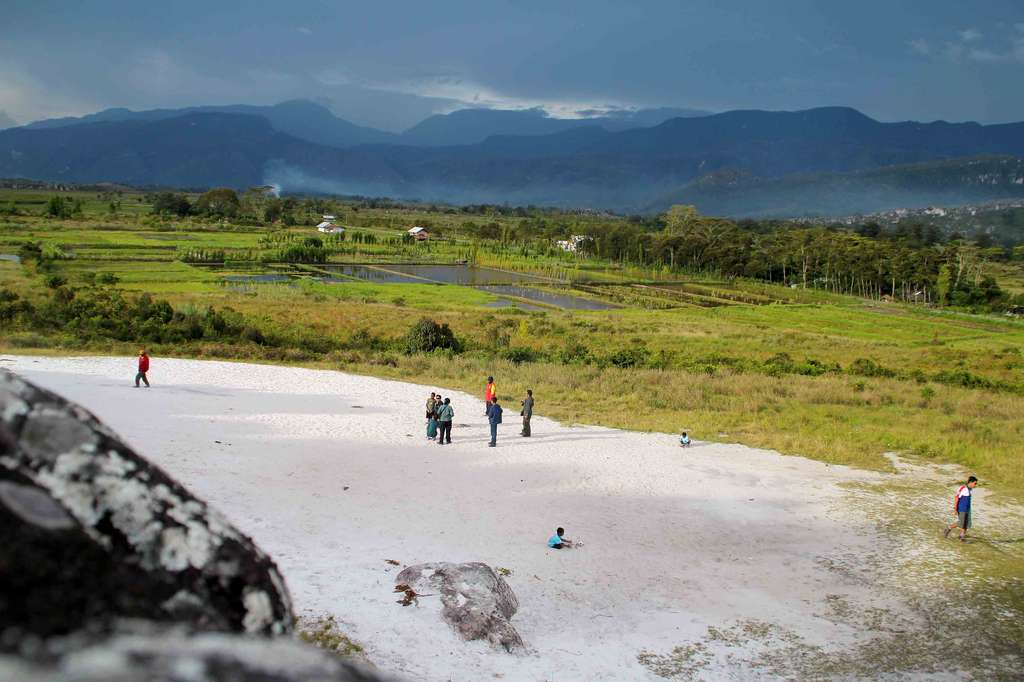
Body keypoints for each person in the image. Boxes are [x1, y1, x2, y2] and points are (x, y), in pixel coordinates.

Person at [944, 476, 978, 541]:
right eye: (975, 483)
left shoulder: (970, 489)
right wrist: (955, 509)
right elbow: (956, 498)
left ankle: (961, 537)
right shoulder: (963, 488)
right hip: (962, 509)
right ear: (970, 482)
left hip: (967, 509)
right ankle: (948, 528)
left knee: (965, 523)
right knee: (961, 523)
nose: (975, 485)